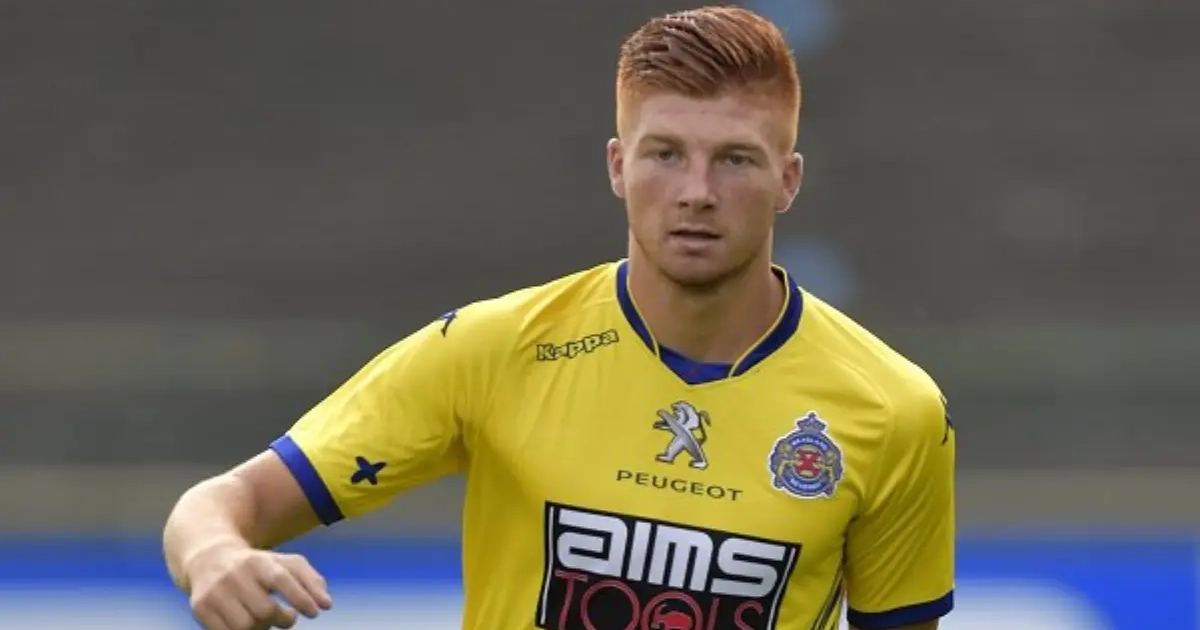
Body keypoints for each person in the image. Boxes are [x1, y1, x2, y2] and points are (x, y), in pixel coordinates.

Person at [163, 6, 955, 630]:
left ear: (788, 180)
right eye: (665, 154)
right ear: (618, 166)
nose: (697, 192)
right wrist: (214, 555)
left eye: (736, 160)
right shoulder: (494, 350)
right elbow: (222, 503)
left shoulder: (892, 411)